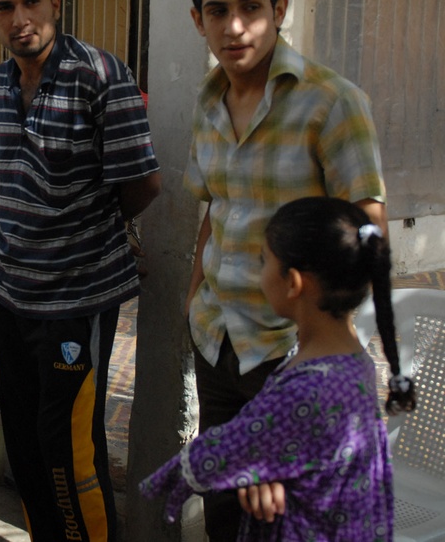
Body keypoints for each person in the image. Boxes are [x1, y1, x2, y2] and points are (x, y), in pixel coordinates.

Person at [183, 0, 388, 541]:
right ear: (199, 20)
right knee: (225, 510)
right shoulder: (207, 104)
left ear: (280, 10)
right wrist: (192, 300)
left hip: (288, 357)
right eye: (217, 12)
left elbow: (364, 234)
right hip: (218, 341)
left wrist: (319, 352)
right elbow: (215, 212)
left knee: (285, 520)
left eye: (251, 7)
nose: (235, 26)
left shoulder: (333, 103)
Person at [0, 0, 161, 541]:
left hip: (77, 298)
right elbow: (7, 178)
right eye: (5, 6)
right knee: (23, 436)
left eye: (32, 0)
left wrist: (93, 232)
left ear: (57, 0)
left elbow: (143, 184)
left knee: (69, 446)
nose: (20, 17)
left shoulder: (102, 76)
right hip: (12, 293)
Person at [143, 196, 415, 540]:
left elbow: (224, 450)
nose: (258, 272)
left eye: (264, 261)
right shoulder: (354, 362)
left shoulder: (306, 389)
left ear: (293, 283)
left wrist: (164, 479)